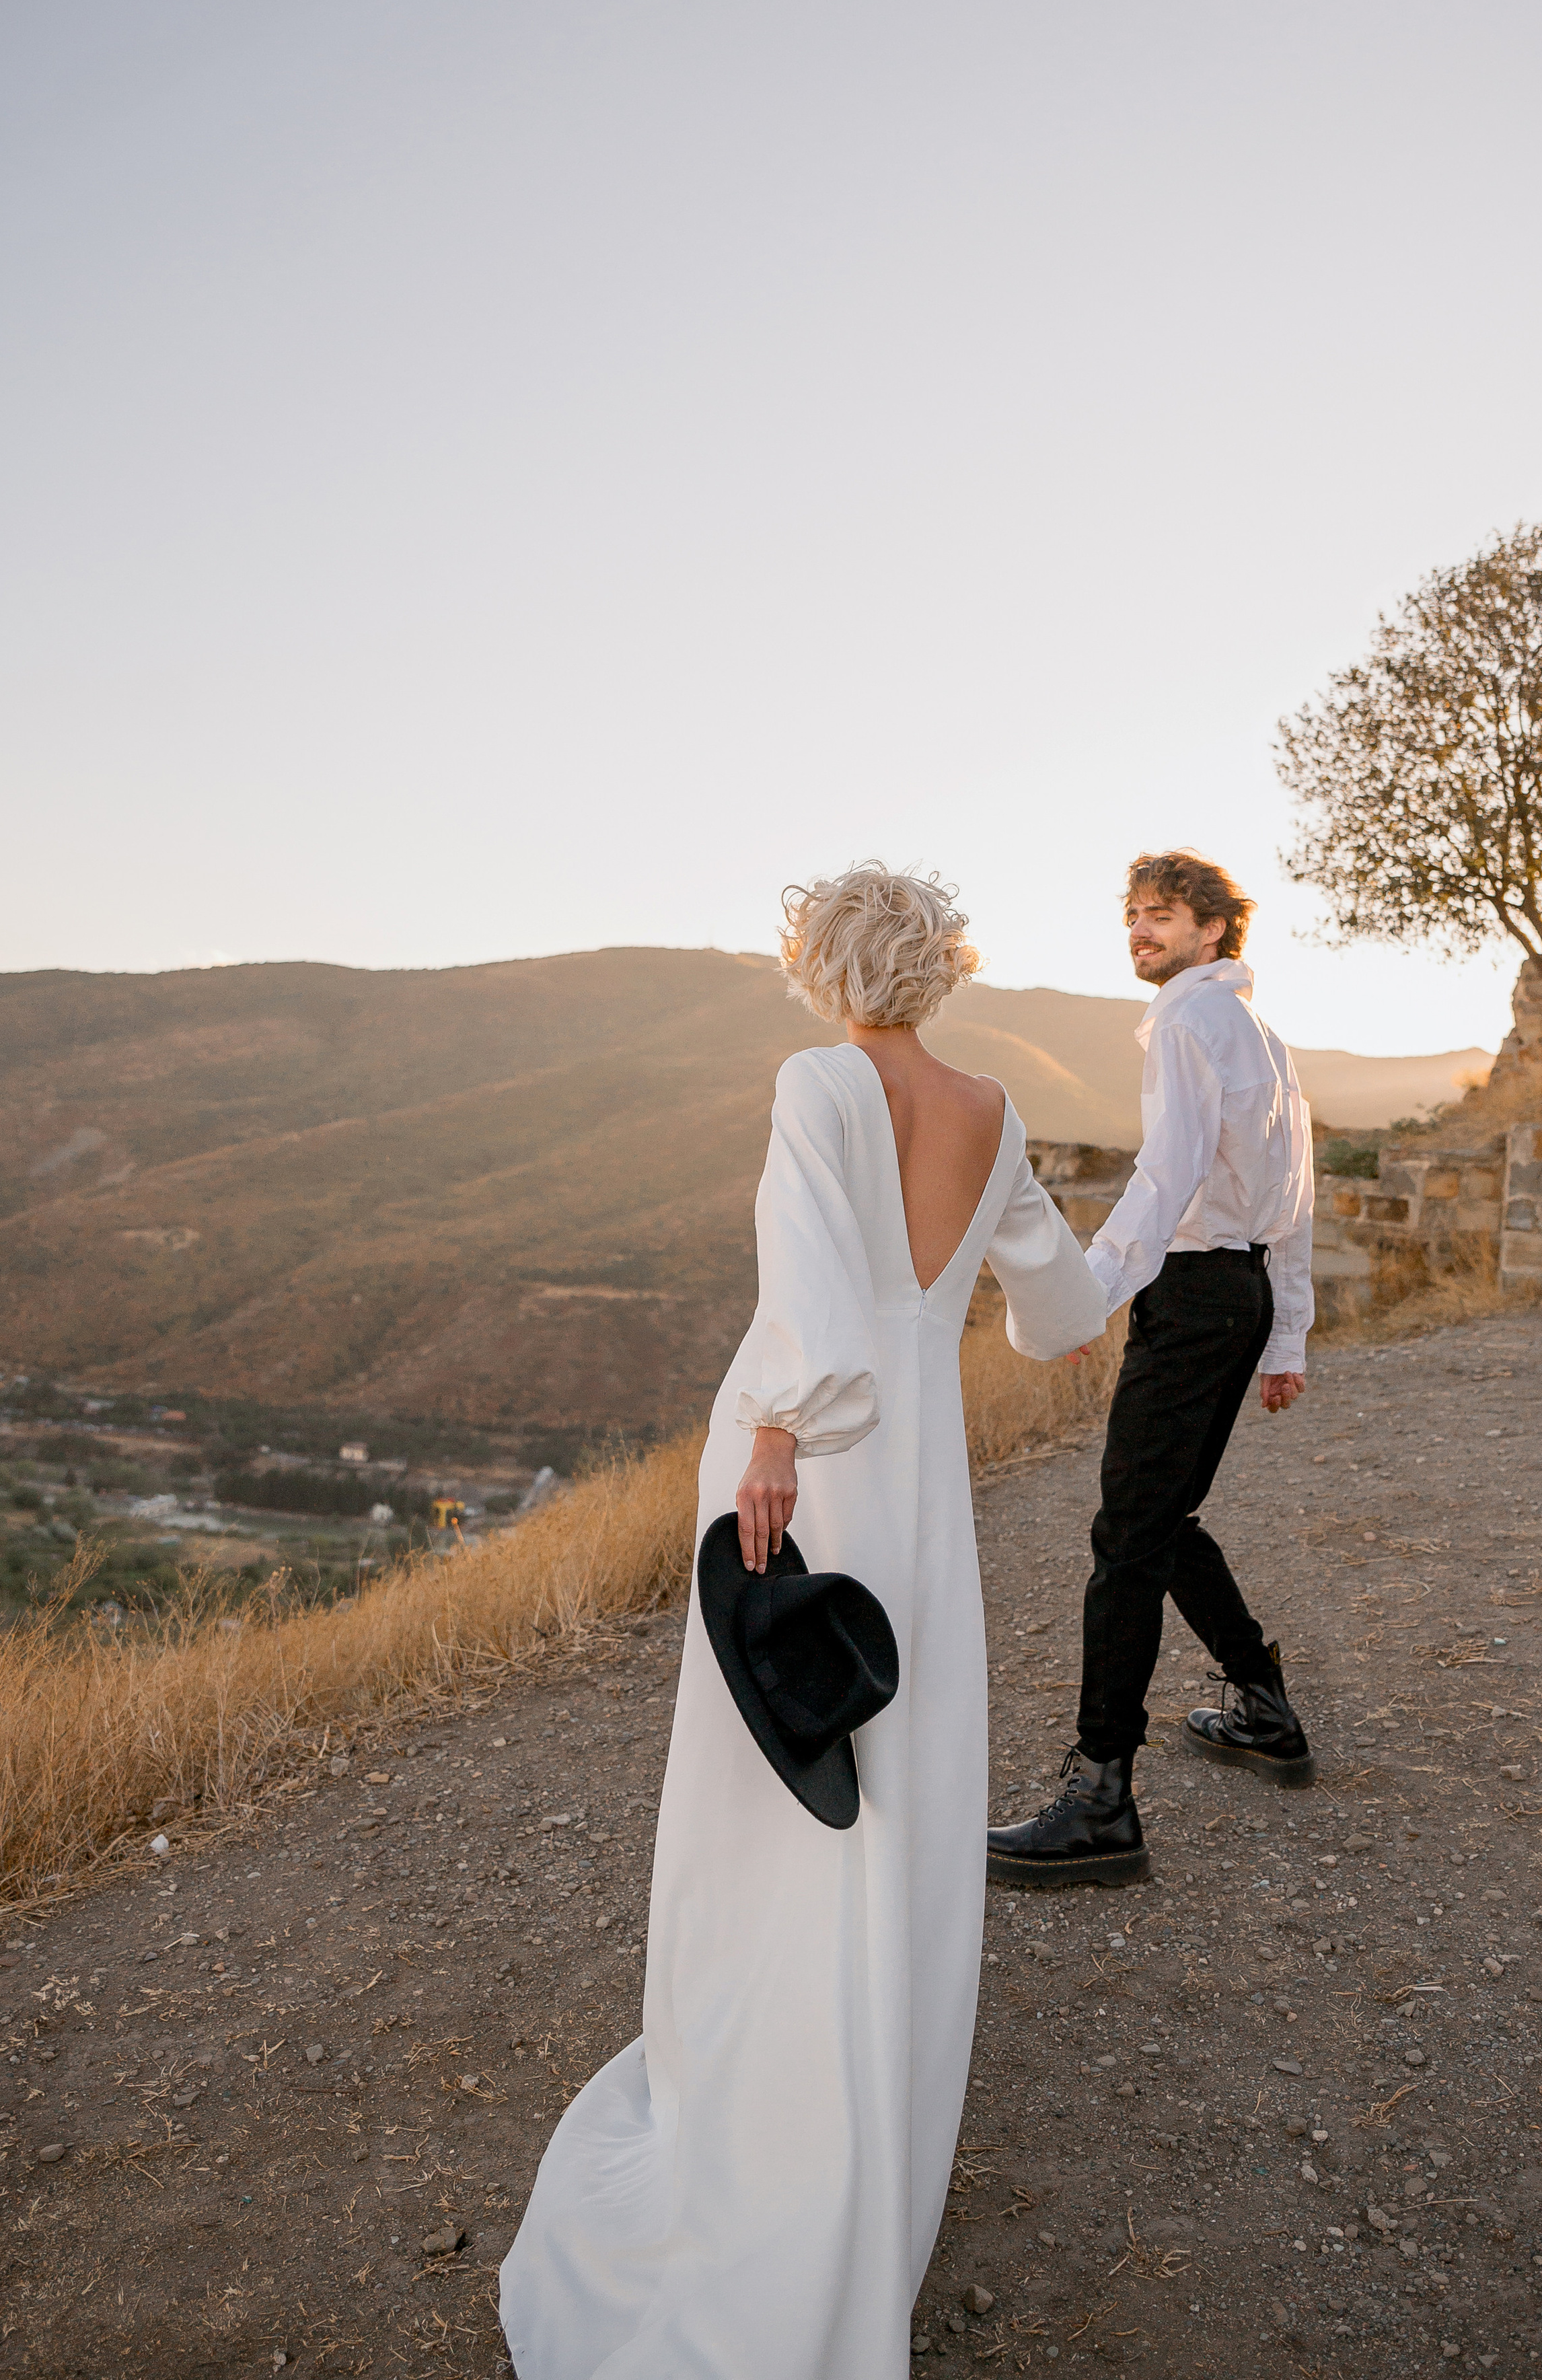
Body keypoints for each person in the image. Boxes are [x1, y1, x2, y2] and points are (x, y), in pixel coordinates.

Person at [499, 863, 1108, 2380]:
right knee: (894, 1775)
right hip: (919, 1486)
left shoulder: (819, 1082)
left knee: (772, 1775)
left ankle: (764, 2108)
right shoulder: (994, 1111)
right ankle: (865, 2130)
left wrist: (773, 1434)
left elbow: (806, 1279)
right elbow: (1060, 1308)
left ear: (827, 968)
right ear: (938, 968)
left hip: (810, 1463)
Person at [987, 850, 1317, 1891]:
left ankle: (1101, 1802)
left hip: (1194, 1294)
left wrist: (1086, 1292)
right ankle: (1263, 1707)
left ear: (1213, 929)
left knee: (1128, 1538)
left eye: (1162, 914)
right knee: (1162, 1519)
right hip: (1240, 1292)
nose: (1140, 928)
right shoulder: (1260, 1031)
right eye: (1132, 914)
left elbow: (1166, 1174)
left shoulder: (1187, 1020)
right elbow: (1296, 1197)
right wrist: (1285, 1333)